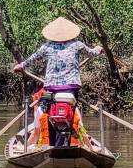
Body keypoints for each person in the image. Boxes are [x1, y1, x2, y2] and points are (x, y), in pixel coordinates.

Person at [13, 17, 103, 148]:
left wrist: (21, 65)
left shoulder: (46, 47)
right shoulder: (77, 44)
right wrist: (99, 49)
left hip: (51, 88)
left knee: (45, 110)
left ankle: (50, 144)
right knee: (68, 114)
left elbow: (31, 59)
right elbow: (92, 53)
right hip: (71, 87)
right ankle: (69, 136)